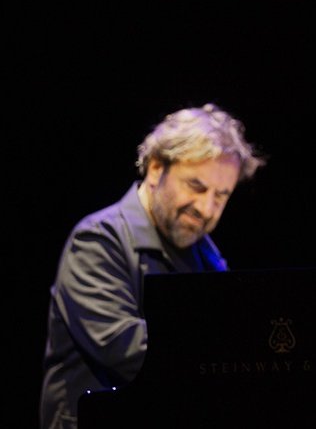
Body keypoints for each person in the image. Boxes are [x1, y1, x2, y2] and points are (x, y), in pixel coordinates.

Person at [39, 103, 266, 429]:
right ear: (157, 168)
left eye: (221, 195)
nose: (206, 208)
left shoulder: (206, 254)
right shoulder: (97, 239)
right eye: (197, 187)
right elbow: (124, 350)